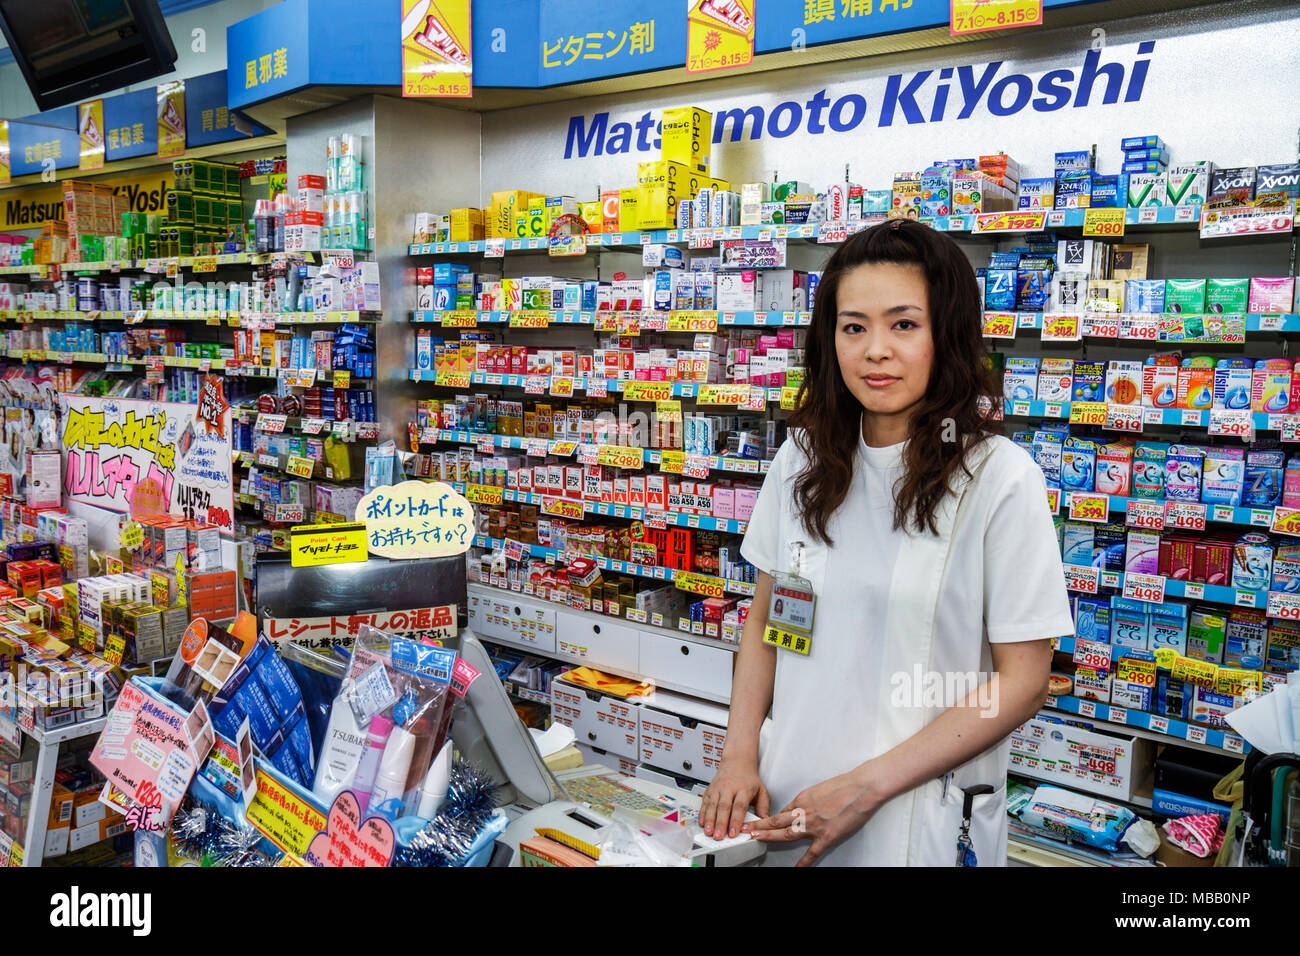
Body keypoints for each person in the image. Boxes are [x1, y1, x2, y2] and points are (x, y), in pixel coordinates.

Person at [699, 219, 1073, 867]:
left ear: (947, 335)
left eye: (904, 324)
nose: (875, 350)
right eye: (854, 326)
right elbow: (764, 623)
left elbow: (1022, 682)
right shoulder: (803, 459)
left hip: (916, 814)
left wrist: (865, 788)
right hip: (790, 800)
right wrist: (737, 756)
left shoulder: (999, 478)